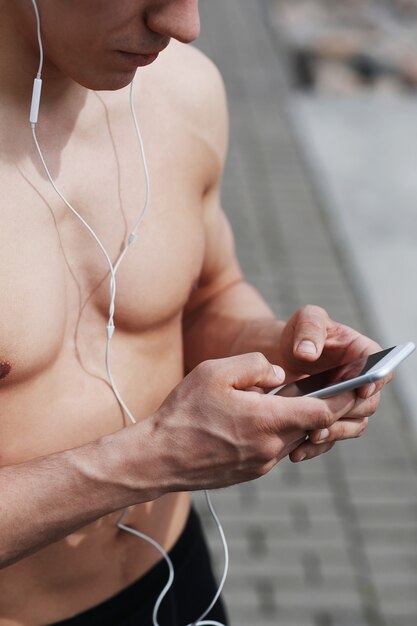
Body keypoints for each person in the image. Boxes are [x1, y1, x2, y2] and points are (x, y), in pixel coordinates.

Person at [0, 1, 387, 625]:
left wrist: (285, 352)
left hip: (174, 580)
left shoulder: (184, 90)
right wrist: (152, 458)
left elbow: (208, 294)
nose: (184, 26)